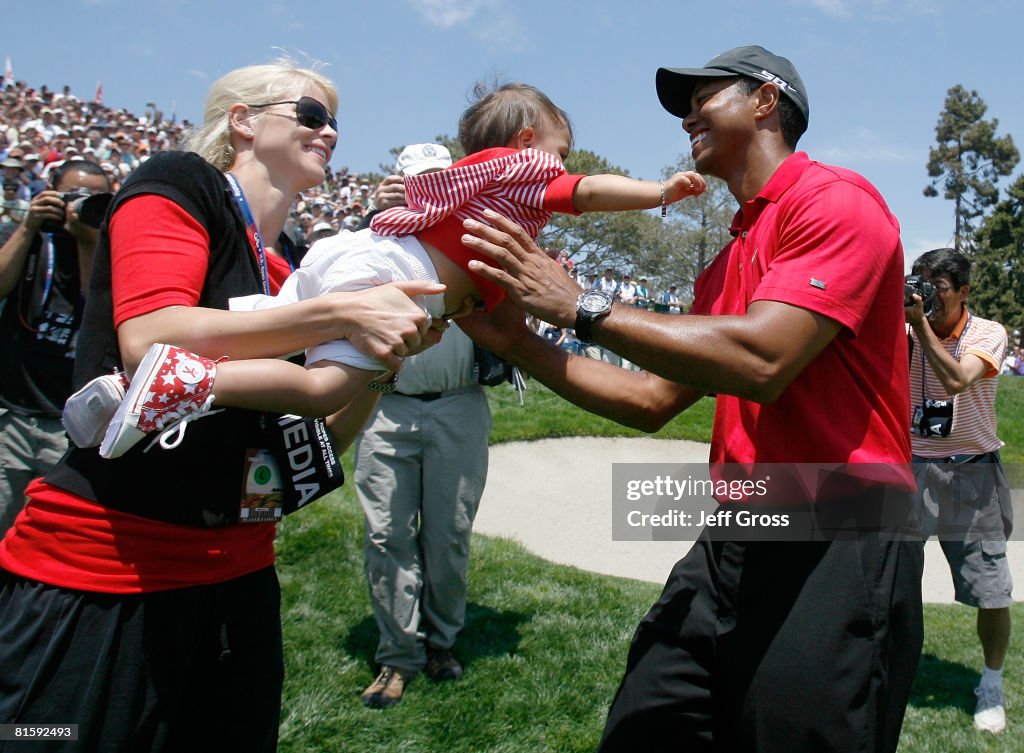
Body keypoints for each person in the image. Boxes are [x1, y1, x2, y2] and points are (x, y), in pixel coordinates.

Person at [457, 45, 923, 753]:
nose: (686, 119)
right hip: (738, 531)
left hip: (843, 528)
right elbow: (649, 398)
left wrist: (579, 306)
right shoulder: (729, 258)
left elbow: (765, 358)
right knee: (644, 727)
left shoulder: (837, 201)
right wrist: (518, 341)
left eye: (702, 98)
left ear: (766, 100)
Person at [0, 60, 440, 752]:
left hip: (238, 582)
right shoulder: (179, 182)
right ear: (243, 120)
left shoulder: (293, 265)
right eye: (312, 114)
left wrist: (379, 366)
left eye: (335, 121)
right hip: (105, 575)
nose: (330, 132)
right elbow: (151, 340)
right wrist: (344, 314)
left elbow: (315, 442)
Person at [77, 81, 706, 459]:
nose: (564, 167)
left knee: (271, 338)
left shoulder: (472, 189)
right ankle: (185, 383)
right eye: (560, 151)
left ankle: (151, 391)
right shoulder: (529, 172)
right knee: (325, 387)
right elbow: (591, 191)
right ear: (525, 140)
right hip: (386, 273)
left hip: (351, 256)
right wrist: (659, 191)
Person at [355, 322, 491, 708]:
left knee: (449, 534)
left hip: (459, 401)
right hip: (385, 404)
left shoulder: (470, 260)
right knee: (386, 535)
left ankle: (440, 642)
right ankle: (398, 656)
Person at [905, 247, 1012, 734]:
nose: (925, 295)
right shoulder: (902, 331)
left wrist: (918, 325)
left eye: (937, 287)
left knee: (991, 589)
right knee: (888, 576)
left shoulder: (988, 332)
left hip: (972, 473)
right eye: (919, 283)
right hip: (911, 469)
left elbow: (955, 380)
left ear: (964, 291)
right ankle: (886, 666)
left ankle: (991, 683)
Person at [0, 159, 111, 534]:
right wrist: (30, 224)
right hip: (11, 414)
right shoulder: (30, 239)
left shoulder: (107, 252)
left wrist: (87, 239)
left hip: (70, 424)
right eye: (74, 196)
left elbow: (98, 311)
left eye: (96, 199)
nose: (82, 206)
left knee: (48, 538)